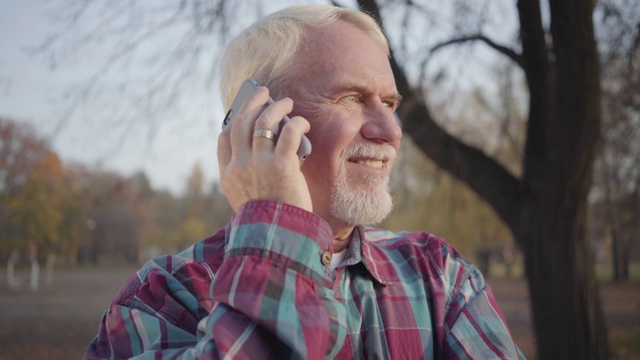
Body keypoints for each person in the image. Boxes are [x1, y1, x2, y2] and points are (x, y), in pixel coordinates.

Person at [85, 5, 524, 359]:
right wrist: (280, 227)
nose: (390, 131)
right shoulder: (163, 296)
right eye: (351, 98)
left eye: (389, 103)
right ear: (259, 120)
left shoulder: (441, 278)